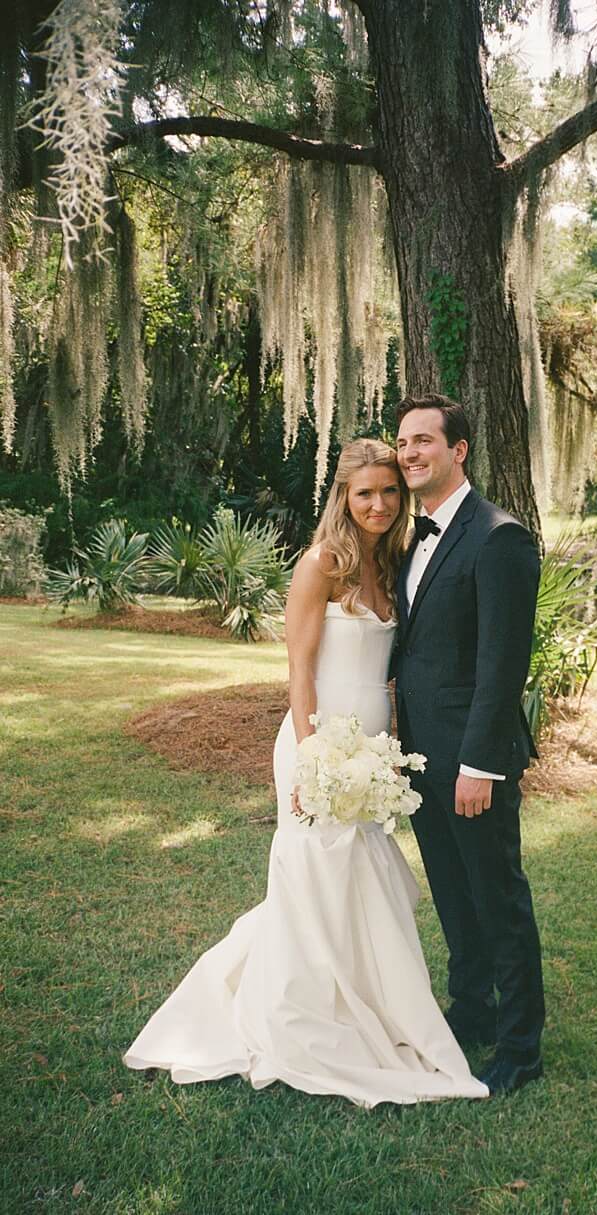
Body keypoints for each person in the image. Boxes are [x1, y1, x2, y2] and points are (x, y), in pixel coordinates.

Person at [124, 438, 488, 1107]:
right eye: (364, 493)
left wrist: (391, 745)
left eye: (388, 491)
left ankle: (369, 1010)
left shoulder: (396, 563)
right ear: (343, 498)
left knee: (363, 880)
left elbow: (393, 669)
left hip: (374, 750)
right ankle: (303, 1016)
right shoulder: (321, 563)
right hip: (319, 742)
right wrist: (314, 750)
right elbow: (298, 666)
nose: (378, 504)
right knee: (315, 877)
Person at [391, 393, 544, 1096]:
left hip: (472, 758)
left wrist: (479, 763)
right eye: (403, 442)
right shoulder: (410, 534)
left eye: (425, 439)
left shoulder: (498, 536)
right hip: (423, 755)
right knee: (453, 894)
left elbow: (501, 665)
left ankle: (520, 1046)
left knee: (497, 896)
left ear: (459, 450)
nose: (411, 452)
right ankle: (470, 1010)